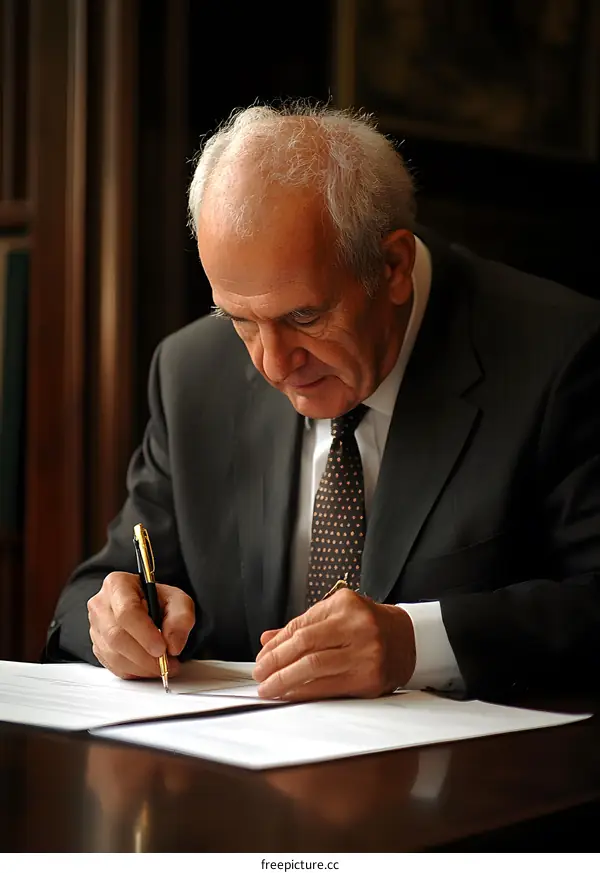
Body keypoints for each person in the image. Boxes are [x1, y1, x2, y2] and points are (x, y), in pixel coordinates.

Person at [46, 102, 600, 701]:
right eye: (240, 320)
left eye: (304, 317)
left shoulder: (562, 353)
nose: (272, 364)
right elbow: (93, 591)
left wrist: (418, 644)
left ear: (393, 266)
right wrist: (114, 622)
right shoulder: (192, 373)